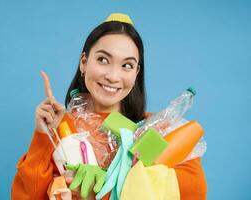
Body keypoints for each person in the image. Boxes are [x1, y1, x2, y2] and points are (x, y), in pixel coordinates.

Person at [11, 13, 207, 200]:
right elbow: (25, 196)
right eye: (103, 60)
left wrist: (103, 189)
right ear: (84, 62)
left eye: (127, 65)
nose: (113, 76)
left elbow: (193, 190)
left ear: (136, 73)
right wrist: (43, 136)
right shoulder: (62, 130)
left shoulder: (160, 129)